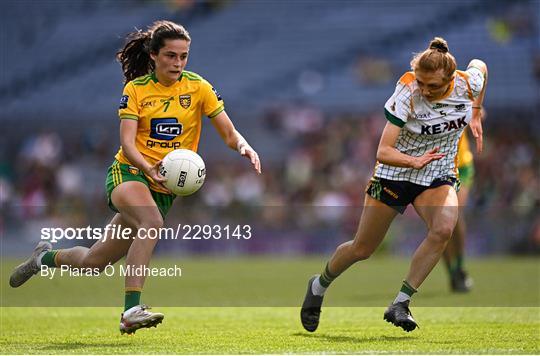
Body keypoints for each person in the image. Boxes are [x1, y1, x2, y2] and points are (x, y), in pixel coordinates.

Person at [10, 20, 261, 335]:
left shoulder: (198, 87)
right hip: (128, 172)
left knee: (94, 262)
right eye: (171, 55)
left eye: (183, 56)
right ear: (154, 55)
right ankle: (130, 311)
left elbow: (227, 131)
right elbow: (128, 144)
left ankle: (43, 258)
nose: (178, 63)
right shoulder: (136, 90)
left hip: (162, 188)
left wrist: (244, 145)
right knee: (152, 223)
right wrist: (148, 168)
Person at [301, 37, 487, 333]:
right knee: (362, 248)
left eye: (433, 86)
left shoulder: (467, 83)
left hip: (437, 175)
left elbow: (481, 66)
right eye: (422, 83)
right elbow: (383, 151)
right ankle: (319, 285)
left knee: (442, 229)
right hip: (395, 173)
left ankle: (401, 302)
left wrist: (476, 111)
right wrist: (413, 161)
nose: (425, 90)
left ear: (451, 79)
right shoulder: (407, 91)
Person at [442, 127, 480, 292]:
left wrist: (476, 114)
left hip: (461, 165)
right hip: (436, 166)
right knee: (439, 224)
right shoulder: (420, 102)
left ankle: (460, 267)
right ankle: (452, 272)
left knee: (453, 212)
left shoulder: (461, 100)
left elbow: (477, 110)